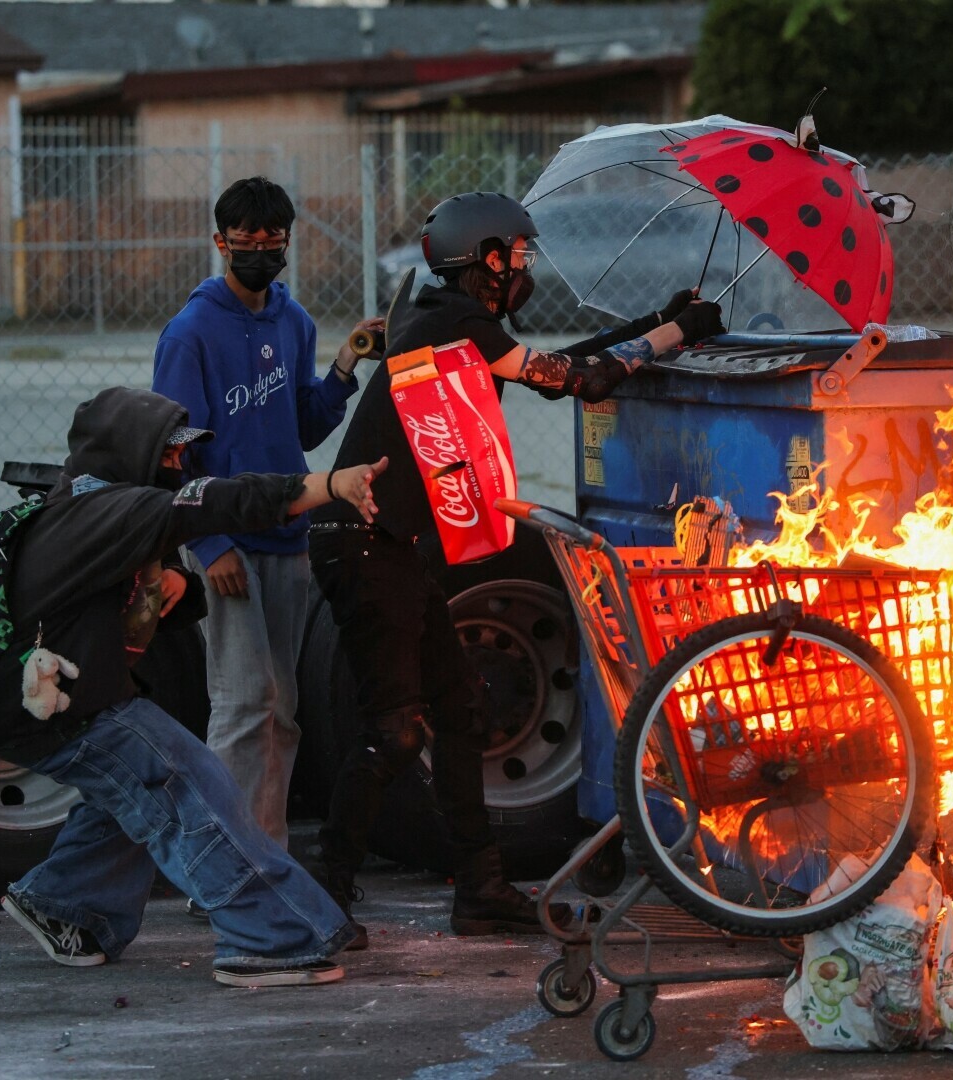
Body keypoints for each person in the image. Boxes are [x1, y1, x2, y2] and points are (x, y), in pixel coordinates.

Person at [309, 191, 726, 948]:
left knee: (460, 712)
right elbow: (579, 381)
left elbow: (565, 363)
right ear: (485, 260)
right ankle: (319, 896)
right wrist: (677, 332)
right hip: (363, 540)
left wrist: (656, 322)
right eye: (516, 255)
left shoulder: (444, 314)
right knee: (398, 731)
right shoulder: (449, 322)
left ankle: (481, 890)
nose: (524, 269)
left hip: (388, 543)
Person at [0, 385, 388, 988]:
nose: (180, 465)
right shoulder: (111, 509)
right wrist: (331, 484)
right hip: (51, 706)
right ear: (129, 451)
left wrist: (172, 592)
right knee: (190, 781)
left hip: (24, 700)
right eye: (168, 454)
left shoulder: (78, 501)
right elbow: (221, 502)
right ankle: (268, 939)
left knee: (132, 789)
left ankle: (63, 903)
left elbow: (112, 603)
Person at [150, 176, 382, 856]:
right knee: (244, 702)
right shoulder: (190, 332)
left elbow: (300, 428)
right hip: (228, 543)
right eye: (244, 241)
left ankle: (265, 856)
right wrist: (212, 542)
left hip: (288, 534)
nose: (258, 251)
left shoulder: (294, 321)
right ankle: (221, 861)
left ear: (286, 243)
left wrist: (344, 365)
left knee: (279, 706)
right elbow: (174, 455)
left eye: (271, 241)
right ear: (220, 242)